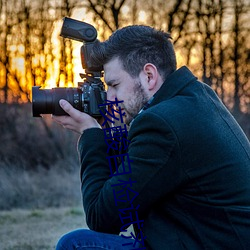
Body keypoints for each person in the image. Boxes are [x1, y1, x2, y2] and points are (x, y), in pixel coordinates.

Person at [53, 25, 250, 249]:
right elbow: (130, 184)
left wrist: (90, 135)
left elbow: (102, 219)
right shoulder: (194, 97)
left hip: (206, 243)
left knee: (76, 244)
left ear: (149, 75)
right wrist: (109, 131)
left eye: (115, 85)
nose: (110, 98)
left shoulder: (162, 124)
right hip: (213, 239)